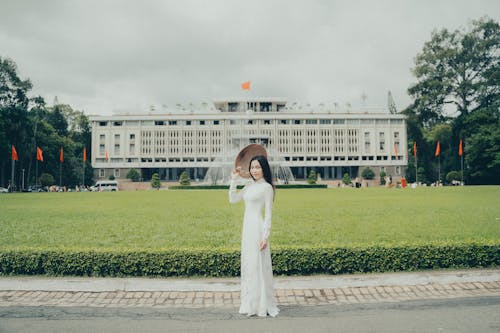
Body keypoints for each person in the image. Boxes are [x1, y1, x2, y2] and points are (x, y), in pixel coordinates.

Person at [229, 155, 279, 317]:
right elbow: (233, 200)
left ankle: (261, 304)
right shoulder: (249, 186)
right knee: (249, 264)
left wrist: (265, 236)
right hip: (247, 229)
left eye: (257, 167)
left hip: (258, 228)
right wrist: (234, 181)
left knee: (258, 264)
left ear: (264, 168)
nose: (254, 170)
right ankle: (249, 302)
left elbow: (269, 215)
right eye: (252, 167)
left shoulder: (267, 188)